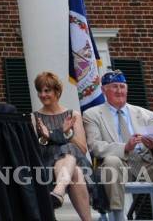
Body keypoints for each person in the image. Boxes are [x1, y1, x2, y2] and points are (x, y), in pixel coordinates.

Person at [83, 71, 153, 221]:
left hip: (148, 165)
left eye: (122, 86)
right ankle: (118, 216)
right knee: (111, 162)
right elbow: (95, 146)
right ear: (103, 90)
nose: (119, 91)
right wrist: (125, 147)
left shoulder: (145, 114)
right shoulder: (92, 114)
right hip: (120, 166)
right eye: (114, 87)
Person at [30, 71, 92, 221]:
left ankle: (59, 192)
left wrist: (65, 134)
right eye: (40, 91)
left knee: (70, 153)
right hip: (46, 166)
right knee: (74, 172)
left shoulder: (73, 115)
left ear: (57, 91)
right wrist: (44, 138)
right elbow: (34, 151)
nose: (43, 95)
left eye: (47, 90)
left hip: (74, 163)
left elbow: (82, 149)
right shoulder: (34, 117)